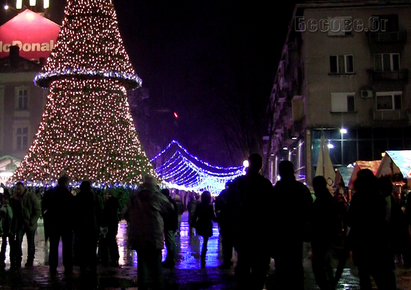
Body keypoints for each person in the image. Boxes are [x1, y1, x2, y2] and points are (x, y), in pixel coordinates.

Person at [226, 153, 273, 289]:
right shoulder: (265, 185)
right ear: (260, 166)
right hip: (260, 233)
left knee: (243, 266)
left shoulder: (237, 184)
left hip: (242, 232)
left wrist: (232, 230)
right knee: (259, 270)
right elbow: (270, 210)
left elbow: (230, 208)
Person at [347, 169, 397, 290]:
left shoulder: (359, 197)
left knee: (365, 278)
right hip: (378, 242)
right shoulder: (378, 197)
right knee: (382, 277)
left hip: (363, 243)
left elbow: (351, 219)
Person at [123, 175, 174, 290]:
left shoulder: (134, 197)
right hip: (154, 235)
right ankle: (158, 286)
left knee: (142, 264)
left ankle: (143, 287)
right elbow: (169, 209)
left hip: (138, 235)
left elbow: (125, 213)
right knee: (156, 265)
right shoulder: (157, 197)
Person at [271, 160, 313, 290]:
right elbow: (309, 211)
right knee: (296, 265)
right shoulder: (301, 189)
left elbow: (270, 213)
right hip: (296, 233)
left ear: (280, 172)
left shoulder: (276, 191)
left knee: (282, 268)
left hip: (280, 234)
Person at [309, 176, 339, 290]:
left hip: (321, 238)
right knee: (326, 266)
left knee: (319, 267)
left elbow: (317, 220)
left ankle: (327, 287)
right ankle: (330, 285)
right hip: (327, 238)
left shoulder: (321, 201)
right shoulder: (328, 199)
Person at [9, 181, 41, 269]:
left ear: (23, 188)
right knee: (18, 241)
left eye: (19, 189)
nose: (18, 191)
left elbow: (37, 210)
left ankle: (30, 260)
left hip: (29, 224)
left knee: (30, 242)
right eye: (17, 189)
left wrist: (32, 221)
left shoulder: (31, 196)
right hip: (20, 224)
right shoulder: (15, 198)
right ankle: (18, 259)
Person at [48, 175, 75, 275]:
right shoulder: (68, 195)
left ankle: (53, 265)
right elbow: (72, 210)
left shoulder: (51, 193)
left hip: (54, 223)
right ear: (65, 183)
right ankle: (67, 265)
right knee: (67, 246)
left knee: (53, 246)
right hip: (66, 224)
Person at [74, 181, 102, 274]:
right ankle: (92, 266)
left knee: (83, 247)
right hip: (92, 226)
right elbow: (99, 211)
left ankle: (83, 265)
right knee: (92, 248)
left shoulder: (78, 197)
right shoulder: (94, 197)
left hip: (82, 226)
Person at [192, 190, 217, 268]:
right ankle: (203, 255)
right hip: (207, 224)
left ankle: (203, 255)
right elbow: (212, 217)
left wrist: (193, 224)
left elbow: (195, 215)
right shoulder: (209, 206)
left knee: (203, 239)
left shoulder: (199, 205)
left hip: (200, 223)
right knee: (205, 240)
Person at [214, 181, 234, 269]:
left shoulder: (224, 195)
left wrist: (219, 214)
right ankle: (228, 259)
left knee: (226, 241)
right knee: (229, 241)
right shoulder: (234, 195)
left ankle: (227, 260)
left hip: (225, 221)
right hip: (230, 221)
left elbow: (217, 207)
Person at [99, 189, 120, 267]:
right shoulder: (114, 202)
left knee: (107, 240)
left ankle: (106, 257)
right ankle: (113, 257)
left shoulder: (109, 203)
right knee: (112, 240)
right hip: (112, 223)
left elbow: (106, 213)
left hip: (109, 224)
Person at [161, 188, 178, 268]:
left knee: (170, 243)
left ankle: (170, 260)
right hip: (171, 225)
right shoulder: (171, 202)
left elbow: (168, 214)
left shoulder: (168, 203)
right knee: (170, 242)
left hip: (169, 225)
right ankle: (170, 259)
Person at [0, 187, 13, 269]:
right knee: (4, 243)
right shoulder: (5, 207)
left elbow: (10, 218)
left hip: (6, 228)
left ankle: (3, 258)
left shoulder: (7, 207)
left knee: (5, 243)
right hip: (4, 228)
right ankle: (2, 259)